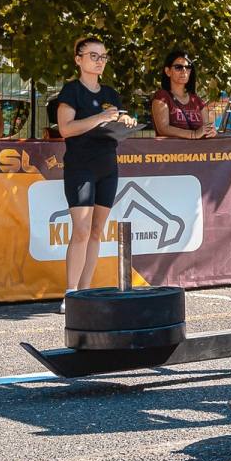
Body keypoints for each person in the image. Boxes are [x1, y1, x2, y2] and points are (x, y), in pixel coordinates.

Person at [56, 37, 137, 310]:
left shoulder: (110, 94)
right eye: (93, 55)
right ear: (78, 59)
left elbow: (118, 120)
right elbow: (66, 129)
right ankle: (71, 294)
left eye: (103, 56)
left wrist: (126, 120)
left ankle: (85, 292)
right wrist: (100, 118)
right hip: (80, 166)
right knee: (80, 230)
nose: (99, 61)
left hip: (107, 166)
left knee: (96, 231)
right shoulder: (71, 91)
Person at [151, 50, 218, 139]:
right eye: (178, 67)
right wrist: (193, 134)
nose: (184, 71)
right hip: (170, 148)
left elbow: (206, 129)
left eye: (188, 67)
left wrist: (211, 131)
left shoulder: (197, 101)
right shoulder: (162, 97)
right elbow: (163, 129)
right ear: (168, 71)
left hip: (196, 148)